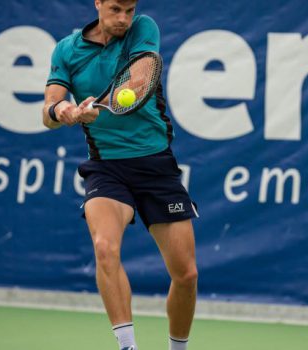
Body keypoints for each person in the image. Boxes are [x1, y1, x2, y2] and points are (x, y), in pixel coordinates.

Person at [41, 1, 199, 350]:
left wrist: (98, 104)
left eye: (129, 9)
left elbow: (139, 81)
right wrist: (63, 109)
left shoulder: (144, 29)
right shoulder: (67, 50)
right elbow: (48, 110)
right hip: (107, 166)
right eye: (115, 9)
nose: (123, 19)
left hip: (156, 164)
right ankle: (127, 346)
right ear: (97, 3)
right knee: (104, 246)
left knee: (186, 275)